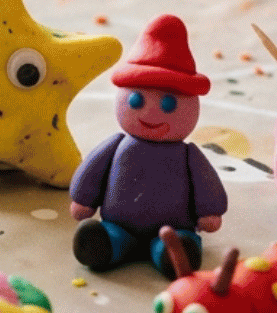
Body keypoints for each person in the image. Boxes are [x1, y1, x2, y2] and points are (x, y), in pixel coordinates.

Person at [70, 14, 227, 277]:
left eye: (169, 104)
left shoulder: (188, 155)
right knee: (109, 237)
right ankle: (107, 243)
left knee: (175, 241)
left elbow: (205, 181)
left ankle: (172, 250)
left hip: (174, 227)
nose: (152, 113)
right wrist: (84, 199)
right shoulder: (118, 144)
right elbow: (93, 169)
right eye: (136, 101)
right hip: (118, 225)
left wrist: (209, 211)